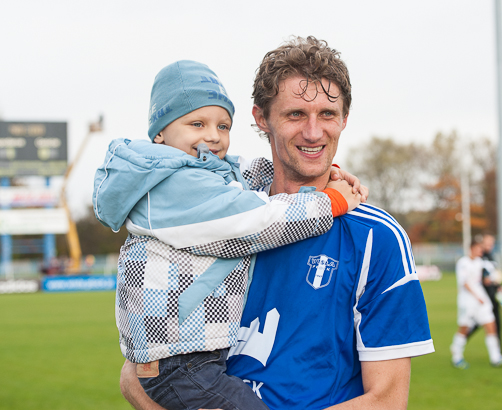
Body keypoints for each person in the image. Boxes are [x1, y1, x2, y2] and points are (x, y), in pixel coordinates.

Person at [120, 36, 434, 410]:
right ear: (261, 119)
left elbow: (386, 401)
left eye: (328, 114)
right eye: (295, 114)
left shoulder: (377, 238)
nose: (314, 133)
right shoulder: (217, 215)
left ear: (345, 119)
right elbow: (138, 374)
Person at [93, 60, 364, 410]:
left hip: (188, 357)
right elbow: (256, 219)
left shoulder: (190, 177)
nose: (213, 136)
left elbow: (244, 180)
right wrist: (330, 201)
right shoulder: (174, 187)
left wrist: (325, 172)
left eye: (223, 125)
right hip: (181, 361)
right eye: (197, 123)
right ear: (160, 133)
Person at [450, 238, 502, 369]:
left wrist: (497, 284)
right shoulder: (463, 263)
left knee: (491, 325)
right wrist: (476, 296)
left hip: (482, 300)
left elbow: (485, 279)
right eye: (479, 248)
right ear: (472, 248)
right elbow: (465, 283)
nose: (481, 251)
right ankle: (456, 355)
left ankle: (495, 358)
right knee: (464, 328)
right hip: (467, 301)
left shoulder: (480, 262)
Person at [465, 234, 502, 355]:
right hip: (484, 298)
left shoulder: (491, 257)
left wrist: (500, 286)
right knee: (480, 324)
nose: (489, 246)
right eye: (487, 244)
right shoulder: (478, 259)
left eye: (492, 243)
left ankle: (498, 353)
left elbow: (495, 275)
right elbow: (478, 278)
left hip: (493, 296)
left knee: (496, 324)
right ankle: (459, 343)